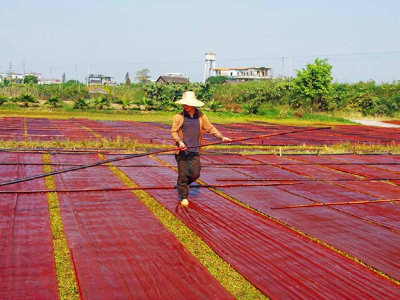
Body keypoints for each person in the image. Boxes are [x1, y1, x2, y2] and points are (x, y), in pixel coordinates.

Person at [171, 91, 231, 206]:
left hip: (195, 151)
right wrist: (179, 142)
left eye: (188, 103)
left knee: (195, 174)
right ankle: (183, 195)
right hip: (182, 151)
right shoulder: (179, 117)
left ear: (193, 104)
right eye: (184, 103)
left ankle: (182, 185)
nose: (185, 105)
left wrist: (221, 137)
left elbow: (210, 128)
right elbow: (174, 132)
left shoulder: (201, 116)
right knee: (182, 174)